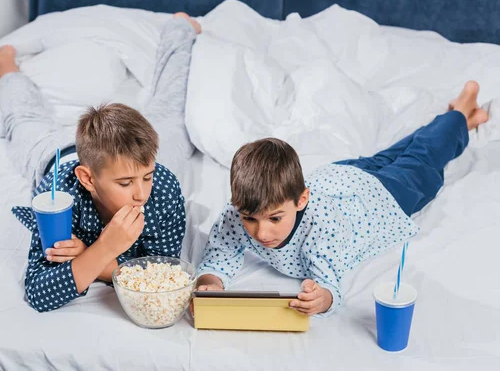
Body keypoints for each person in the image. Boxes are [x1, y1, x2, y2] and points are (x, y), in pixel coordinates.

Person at [195, 81, 489, 316]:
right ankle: (457, 121)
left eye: (274, 218)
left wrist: (320, 300)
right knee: (394, 155)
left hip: (379, 197)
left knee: (422, 160)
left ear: (301, 200)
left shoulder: (320, 231)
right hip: (340, 177)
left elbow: (330, 286)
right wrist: (209, 283)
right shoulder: (239, 210)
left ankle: (461, 112)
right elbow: (221, 252)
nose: (261, 233)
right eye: (250, 219)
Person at [0, 13, 201, 312]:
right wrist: (106, 250)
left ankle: (181, 28)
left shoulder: (161, 187)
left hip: (130, 156)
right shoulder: (57, 199)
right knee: (23, 121)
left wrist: (92, 256)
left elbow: (163, 277)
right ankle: (4, 63)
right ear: (87, 179)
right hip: (55, 152)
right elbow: (39, 294)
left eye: (145, 178)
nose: (140, 194)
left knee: (173, 112)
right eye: (125, 183)